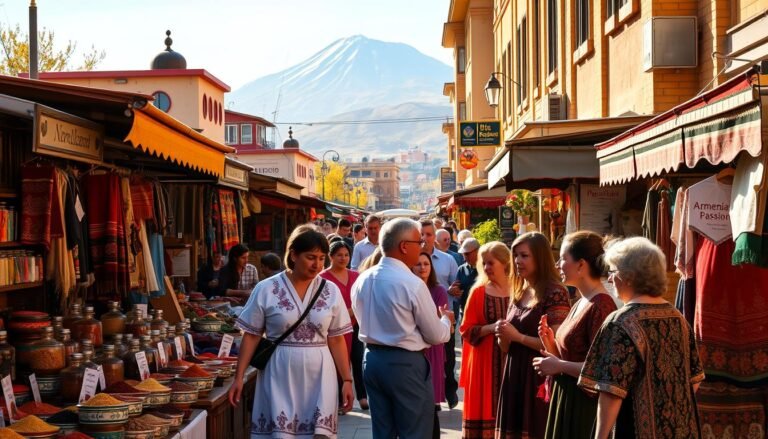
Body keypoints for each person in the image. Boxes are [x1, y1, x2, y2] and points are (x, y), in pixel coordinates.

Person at [229, 225, 354, 438]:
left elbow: (336, 339)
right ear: (294, 255)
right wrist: (239, 377)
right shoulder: (266, 288)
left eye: (321, 258)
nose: (317, 264)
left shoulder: (330, 290)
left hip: (320, 374)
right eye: (311, 257)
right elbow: (251, 336)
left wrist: (347, 381)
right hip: (279, 372)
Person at [578, 237, 704, 439]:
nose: (610, 279)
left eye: (613, 271)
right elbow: (694, 380)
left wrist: (600, 436)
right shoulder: (677, 318)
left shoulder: (620, 323)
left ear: (628, 276)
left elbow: (611, 391)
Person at [352, 218, 454, 438]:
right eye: (419, 242)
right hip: (405, 364)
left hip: (372, 360)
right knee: (415, 431)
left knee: (383, 431)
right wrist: (446, 321)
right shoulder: (411, 283)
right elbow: (435, 335)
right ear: (404, 246)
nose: (423, 246)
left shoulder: (363, 279)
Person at [530, 231, 618, 439]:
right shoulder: (582, 301)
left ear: (581, 265)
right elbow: (573, 356)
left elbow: (602, 370)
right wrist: (551, 344)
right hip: (568, 399)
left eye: (563, 258)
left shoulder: (601, 306)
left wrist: (559, 365)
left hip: (583, 408)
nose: (557, 264)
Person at [495, 232, 571, 439]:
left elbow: (557, 346)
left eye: (524, 255)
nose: (517, 261)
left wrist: (518, 337)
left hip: (538, 376)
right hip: (514, 374)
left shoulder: (555, 292)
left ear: (540, 257)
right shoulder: (519, 290)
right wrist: (503, 335)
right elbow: (505, 347)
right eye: (515, 255)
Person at [459, 242, 512, 438]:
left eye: (491, 263)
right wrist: (490, 328)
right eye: (484, 263)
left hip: (513, 360)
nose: (486, 267)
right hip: (484, 364)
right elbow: (465, 330)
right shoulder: (478, 292)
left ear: (505, 263)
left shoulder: (519, 290)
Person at [320, 240, 364, 411]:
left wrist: (353, 312)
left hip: (355, 324)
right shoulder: (322, 278)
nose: (343, 258)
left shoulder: (356, 276)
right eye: (339, 255)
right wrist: (347, 312)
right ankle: (340, 399)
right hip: (333, 327)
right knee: (337, 362)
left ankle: (362, 395)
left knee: (358, 359)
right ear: (330, 256)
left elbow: (362, 299)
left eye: (346, 255)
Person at [421, 219, 460, 409]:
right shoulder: (410, 261)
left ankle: (449, 390)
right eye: (421, 234)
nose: (424, 238)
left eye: (428, 234)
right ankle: (431, 394)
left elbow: (457, 286)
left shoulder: (447, 260)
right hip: (421, 319)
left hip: (445, 315)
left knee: (448, 357)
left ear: (434, 237)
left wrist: (451, 291)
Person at [412, 252, 449, 438]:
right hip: (414, 348)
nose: (423, 267)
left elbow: (441, 318)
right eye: (418, 264)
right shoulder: (408, 287)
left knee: (431, 400)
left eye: (426, 264)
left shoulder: (438, 290)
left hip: (433, 346)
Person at [451, 238, 480, 313]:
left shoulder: (485, 269)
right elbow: (457, 290)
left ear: (477, 251)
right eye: (463, 254)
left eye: (467, 254)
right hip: (465, 312)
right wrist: (453, 290)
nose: (464, 258)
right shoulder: (461, 269)